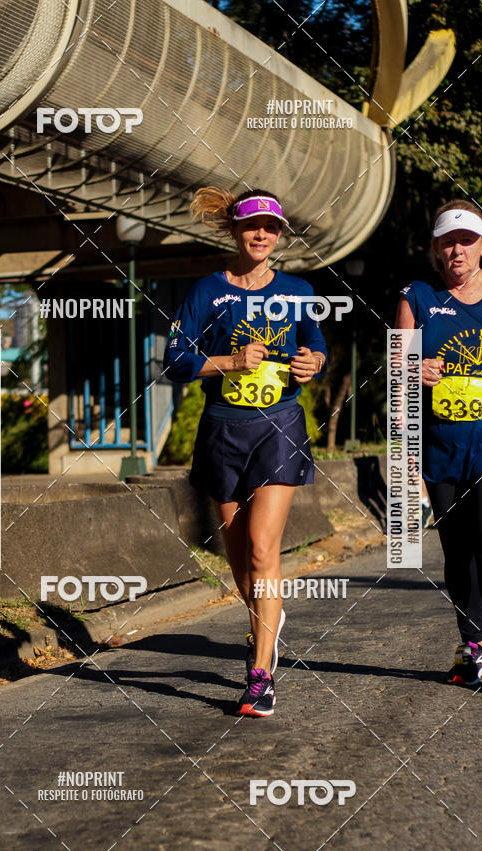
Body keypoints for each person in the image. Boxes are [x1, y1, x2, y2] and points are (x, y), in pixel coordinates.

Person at [163, 187, 327, 716]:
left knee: (261, 548)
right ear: (234, 230)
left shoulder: (298, 290)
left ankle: (260, 676)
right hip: (222, 430)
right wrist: (231, 361)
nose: (262, 235)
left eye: (271, 228)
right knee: (240, 562)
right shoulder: (207, 290)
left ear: (279, 235)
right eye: (252, 225)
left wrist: (313, 363)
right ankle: (265, 623)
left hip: (279, 427)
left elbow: (317, 346)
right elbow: (175, 361)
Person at [395, 200, 482, 686]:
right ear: (436, 248)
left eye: (467, 240)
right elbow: (397, 368)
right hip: (439, 446)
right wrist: (414, 369)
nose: (458, 250)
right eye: (448, 241)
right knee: (457, 551)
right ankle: (471, 647)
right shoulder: (417, 296)